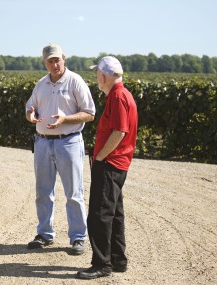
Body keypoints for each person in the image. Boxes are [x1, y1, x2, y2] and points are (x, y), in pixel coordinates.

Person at [25, 44, 96, 255]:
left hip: (69, 142)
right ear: (44, 62)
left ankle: (78, 238)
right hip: (43, 142)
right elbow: (31, 107)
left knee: (74, 192)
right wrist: (30, 114)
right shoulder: (41, 84)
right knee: (43, 192)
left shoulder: (75, 81)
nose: (54, 64)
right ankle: (45, 234)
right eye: (50, 61)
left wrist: (66, 119)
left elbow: (89, 113)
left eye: (57, 60)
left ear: (63, 58)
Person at [77, 56, 138, 279]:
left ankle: (102, 264)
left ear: (104, 75)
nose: (96, 78)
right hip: (117, 163)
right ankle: (117, 259)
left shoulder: (118, 96)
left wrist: (101, 157)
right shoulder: (122, 94)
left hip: (111, 163)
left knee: (99, 215)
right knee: (114, 213)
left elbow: (119, 132)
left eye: (97, 74)